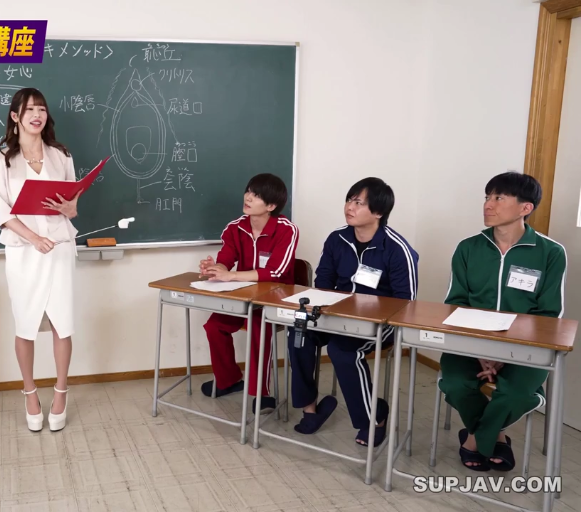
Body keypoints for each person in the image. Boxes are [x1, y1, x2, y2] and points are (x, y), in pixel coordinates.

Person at [440, 172, 566, 472]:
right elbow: (456, 304)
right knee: (454, 384)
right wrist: (481, 350)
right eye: (487, 197)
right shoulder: (468, 248)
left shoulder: (550, 252)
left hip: (526, 346)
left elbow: (549, 314)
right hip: (470, 343)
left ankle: (474, 439)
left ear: (525, 208)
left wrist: (505, 352)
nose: (488, 204)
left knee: (516, 394)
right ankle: (496, 437)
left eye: (498, 198)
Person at [287, 177, 418, 447]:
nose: (350, 207)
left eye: (358, 202)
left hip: (380, 323)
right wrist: (325, 307)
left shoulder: (397, 248)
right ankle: (310, 408)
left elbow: (406, 303)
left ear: (378, 211)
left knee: (342, 350)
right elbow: (323, 282)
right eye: (349, 200)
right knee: (297, 332)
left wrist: (366, 314)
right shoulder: (337, 239)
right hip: (336, 315)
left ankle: (373, 417)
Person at [0, 87, 81, 433]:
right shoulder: (3, 159)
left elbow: (73, 205)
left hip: (59, 246)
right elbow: (3, 213)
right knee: (25, 323)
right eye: (29, 109)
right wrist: (33, 238)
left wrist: (69, 208)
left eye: (41, 108)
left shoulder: (61, 155)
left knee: (62, 322)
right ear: (15, 116)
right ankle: (30, 393)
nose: (36, 115)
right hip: (23, 251)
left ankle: (61, 392)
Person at [199, 173, 299, 408]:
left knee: (257, 327)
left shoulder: (286, 230)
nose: (248, 197)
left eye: (257, 195)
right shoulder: (236, 228)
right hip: (244, 297)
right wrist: (216, 268)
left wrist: (232, 275)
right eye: (249, 191)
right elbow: (226, 259)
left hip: (276, 300)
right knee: (214, 326)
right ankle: (229, 380)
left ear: (271, 206)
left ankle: (262, 394)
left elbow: (276, 272)